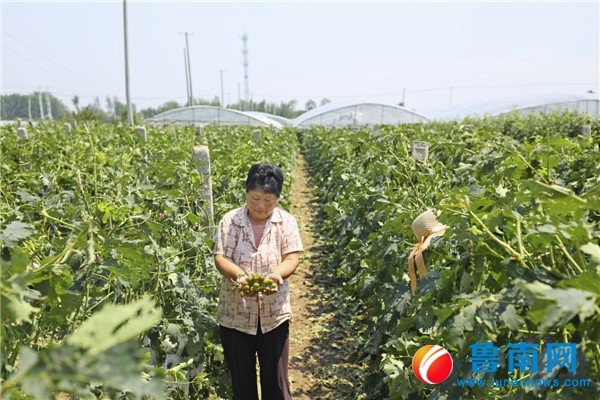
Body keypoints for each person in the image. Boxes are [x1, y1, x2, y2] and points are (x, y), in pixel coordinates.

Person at [214, 163, 303, 400]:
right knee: (242, 385)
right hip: (236, 315)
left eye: (268, 200)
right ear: (246, 193)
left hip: (274, 316)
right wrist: (240, 277)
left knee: (277, 384)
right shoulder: (230, 221)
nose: (261, 206)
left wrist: (277, 275)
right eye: (255, 198)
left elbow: (292, 258)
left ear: (277, 199)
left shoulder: (286, 222)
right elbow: (221, 258)